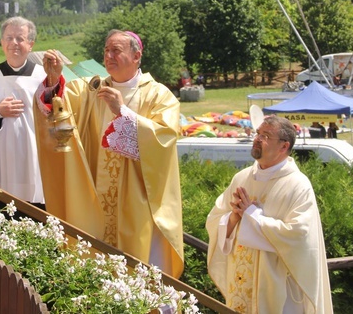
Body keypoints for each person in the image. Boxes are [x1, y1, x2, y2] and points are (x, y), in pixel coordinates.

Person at [35, 30, 184, 277]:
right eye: (106, 50)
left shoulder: (159, 95)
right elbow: (57, 110)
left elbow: (163, 142)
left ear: (137, 56)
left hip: (137, 204)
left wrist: (122, 111)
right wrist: (53, 81)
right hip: (95, 198)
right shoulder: (91, 89)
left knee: (136, 274)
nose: (109, 56)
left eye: (116, 50)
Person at [206, 115, 333, 313]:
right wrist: (234, 218)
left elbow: (299, 236)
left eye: (265, 136)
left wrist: (251, 214)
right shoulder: (242, 178)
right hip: (240, 284)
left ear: (284, 147)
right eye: (257, 133)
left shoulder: (298, 185)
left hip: (280, 291)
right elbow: (214, 220)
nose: (257, 138)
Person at [0, 17, 46, 208]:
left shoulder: (44, 78)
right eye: (9, 38)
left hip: (32, 156)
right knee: (0, 207)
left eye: (20, 39)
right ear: (1, 43)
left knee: (34, 209)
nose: (14, 43)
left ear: (31, 44)